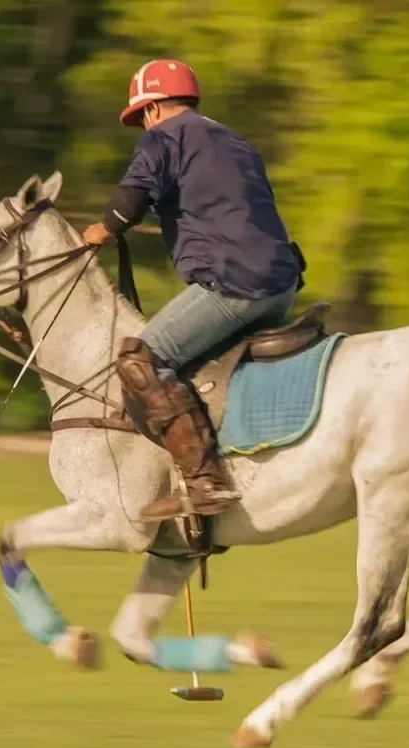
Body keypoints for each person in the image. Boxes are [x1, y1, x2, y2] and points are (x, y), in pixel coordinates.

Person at [80, 59, 304, 523]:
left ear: (155, 107)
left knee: (139, 358)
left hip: (235, 281)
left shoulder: (164, 137)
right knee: (190, 365)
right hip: (282, 283)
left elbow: (127, 207)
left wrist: (97, 233)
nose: (144, 123)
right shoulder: (235, 142)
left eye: (142, 113)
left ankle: (205, 484)